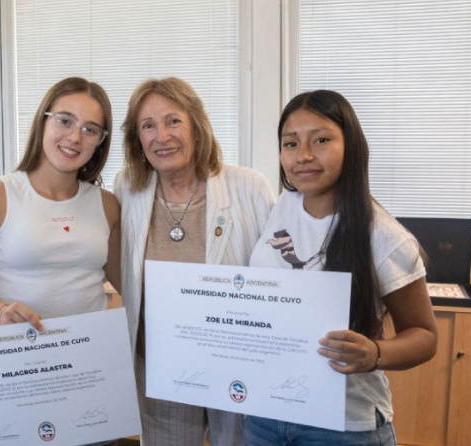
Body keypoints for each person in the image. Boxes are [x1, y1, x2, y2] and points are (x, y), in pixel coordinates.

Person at [244, 90, 438, 445]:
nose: (303, 155)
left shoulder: (385, 236)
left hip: (344, 426)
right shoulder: (283, 205)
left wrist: (374, 354)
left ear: (352, 146)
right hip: (266, 414)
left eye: (321, 140)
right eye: (290, 143)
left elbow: (424, 336)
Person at [114, 77, 275, 446]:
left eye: (173, 121)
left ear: (197, 128)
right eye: (148, 126)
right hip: (159, 367)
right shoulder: (127, 189)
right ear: (137, 139)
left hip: (234, 367)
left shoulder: (249, 187)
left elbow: (276, 278)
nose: (162, 136)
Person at [0, 77, 120, 332]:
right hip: (21, 350)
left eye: (90, 130)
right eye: (64, 121)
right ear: (42, 122)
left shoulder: (108, 205)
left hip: (90, 350)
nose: (75, 137)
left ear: (100, 142)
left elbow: (129, 284)